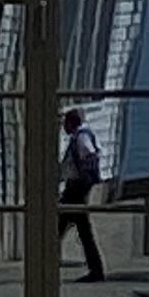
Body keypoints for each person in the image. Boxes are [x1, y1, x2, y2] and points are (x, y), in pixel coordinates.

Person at [56, 106, 109, 285]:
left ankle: (96, 270)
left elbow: (89, 155)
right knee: (79, 230)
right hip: (74, 190)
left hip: (76, 190)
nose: (64, 126)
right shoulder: (80, 135)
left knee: (60, 227)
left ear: (72, 122)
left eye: (66, 122)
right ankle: (96, 269)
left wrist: (83, 181)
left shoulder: (81, 137)